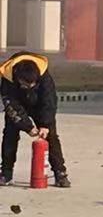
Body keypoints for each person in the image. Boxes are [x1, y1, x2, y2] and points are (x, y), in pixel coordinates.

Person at [0, 51, 68, 187]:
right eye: (25, 85)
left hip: (39, 106)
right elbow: (11, 105)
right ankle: (6, 173)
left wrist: (45, 124)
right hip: (18, 104)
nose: (28, 88)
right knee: (9, 135)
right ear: (17, 78)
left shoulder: (44, 76)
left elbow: (49, 102)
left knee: (51, 137)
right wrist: (27, 126)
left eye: (32, 85)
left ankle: (60, 173)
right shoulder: (7, 77)